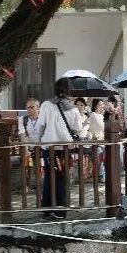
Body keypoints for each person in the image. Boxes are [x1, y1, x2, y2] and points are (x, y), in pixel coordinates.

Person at [39, 77, 83, 219]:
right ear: (69, 90)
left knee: (48, 178)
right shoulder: (73, 109)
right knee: (62, 179)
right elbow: (78, 129)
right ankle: (60, 210)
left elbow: (41, 125)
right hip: (64, 149)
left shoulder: (46, 105)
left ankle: (46, 210)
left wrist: (39, 141)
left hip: (48, 148)